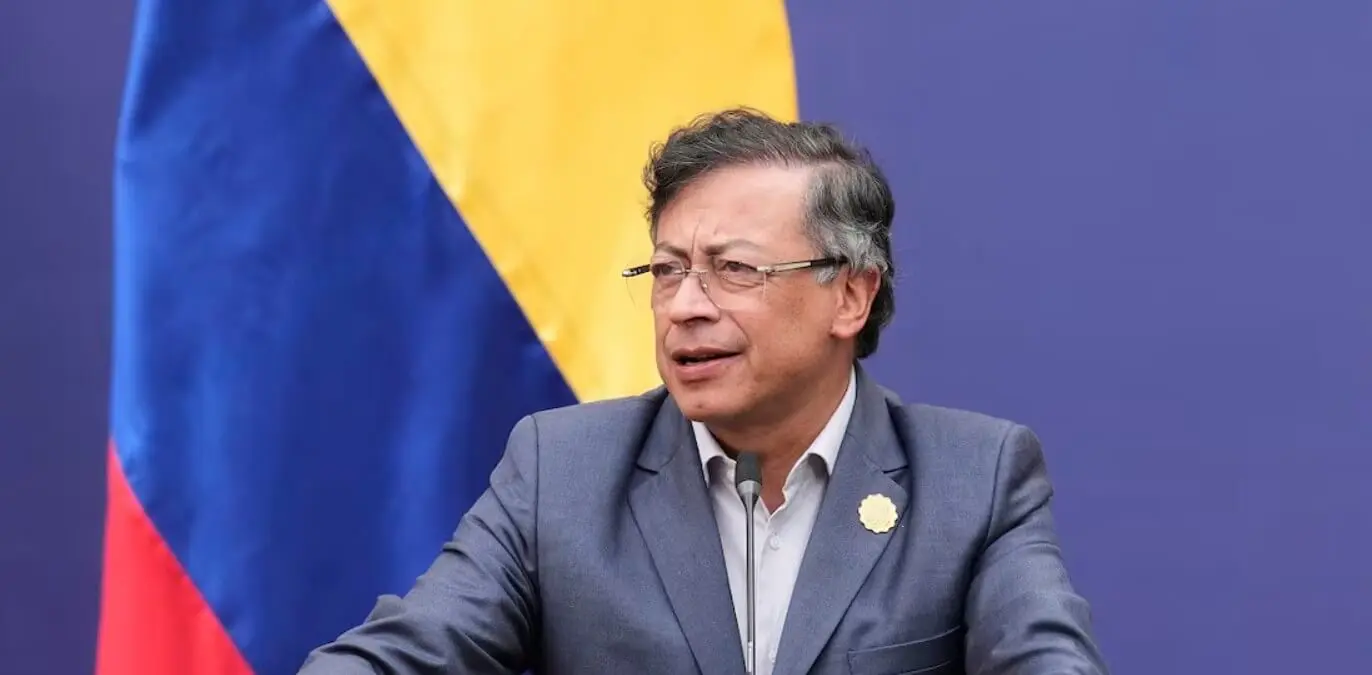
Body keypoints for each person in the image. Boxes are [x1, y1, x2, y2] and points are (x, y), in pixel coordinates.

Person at [298, 108, 1108, 674]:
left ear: (850, 296)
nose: (685, 305)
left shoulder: (975, 478)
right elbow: (409, 654)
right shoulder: (562, 471)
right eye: (667, 271)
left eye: (734, 270)